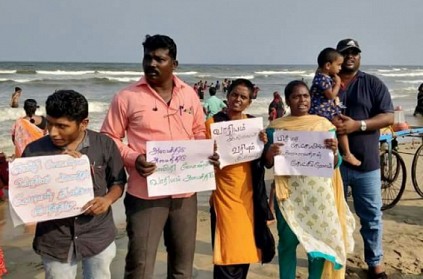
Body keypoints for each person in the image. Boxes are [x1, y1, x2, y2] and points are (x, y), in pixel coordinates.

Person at [100, 34, 217, 279]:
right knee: (140, 266)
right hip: (145, 193)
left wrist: (205, 154)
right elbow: (109, 138)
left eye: (159, 59)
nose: (152, 64)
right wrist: (133, 158)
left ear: (174, 64)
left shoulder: (189, 95)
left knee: (182, 267)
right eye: (147, 58)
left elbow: (197, 130)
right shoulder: (126, 97)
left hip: (185, 193)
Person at [21, 90, 127, 279]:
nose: (53, 132)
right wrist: (52, 167)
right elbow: (23, 195)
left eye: (62, 126)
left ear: (83, 123)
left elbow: (118, 182)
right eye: (50, 123)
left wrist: (107, 200)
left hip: (97, 235)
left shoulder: (104, 144)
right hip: (55, 239)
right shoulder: (34, 151)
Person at [264, 80, 355, 279]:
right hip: (288, 196)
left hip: (319, 196)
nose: (302, 100)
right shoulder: (275, 129)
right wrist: (270, 152)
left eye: (305, 96)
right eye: (296, 96)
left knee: (317, 244)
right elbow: (268, 163)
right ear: (288, 101)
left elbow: (335, 164)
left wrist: (335, 151)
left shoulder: (323, 126)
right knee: (287, 244)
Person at [335, 38, 394, 279]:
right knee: (333, 215)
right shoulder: (327, 83)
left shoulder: (372, 83)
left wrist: (357, 125)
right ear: (336, 58)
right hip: (332, 165)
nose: (350, 56)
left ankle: (375, 263)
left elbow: (388, 116)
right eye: (345, 53)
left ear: (359, 56)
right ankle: (334, 261)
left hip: (366, 164)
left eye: (354, 52)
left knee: (371, 217)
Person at [205, 78, 275, 279]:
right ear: (227, 96)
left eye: (243, 97)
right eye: (234, 94)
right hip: (223, 197)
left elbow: (266, 162)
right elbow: (200, 160)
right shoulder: (213, 123)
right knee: (227, 252)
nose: (238, 99)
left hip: (249, 199)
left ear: (249, 102)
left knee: (245, 250)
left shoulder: (253, 126)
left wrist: (265, 144)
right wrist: (212, 155)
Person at [309, 47, 361, 166]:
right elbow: (331, 95)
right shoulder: (322, 78)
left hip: (323, 107)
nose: (340, 68)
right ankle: (347, 153)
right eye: (338, 65)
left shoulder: (323, 77)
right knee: (341, 125)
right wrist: (337, 84)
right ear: (328, 65)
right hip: (321, 110)